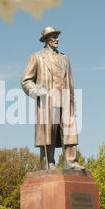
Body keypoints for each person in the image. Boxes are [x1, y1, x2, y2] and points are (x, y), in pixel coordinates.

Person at [21, 26, 84, 170]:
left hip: (65, 100)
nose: (57, 39)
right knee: (49, 133)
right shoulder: (36, 57)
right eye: (53, 36)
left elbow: (71, 82)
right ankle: (49, 163)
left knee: (69, 132)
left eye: (57, 36)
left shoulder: (64, 58)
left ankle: (71, 162)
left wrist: (73, 102)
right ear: (45, 40)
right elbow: (26, 80)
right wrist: (37, 91)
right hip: (48, 101)